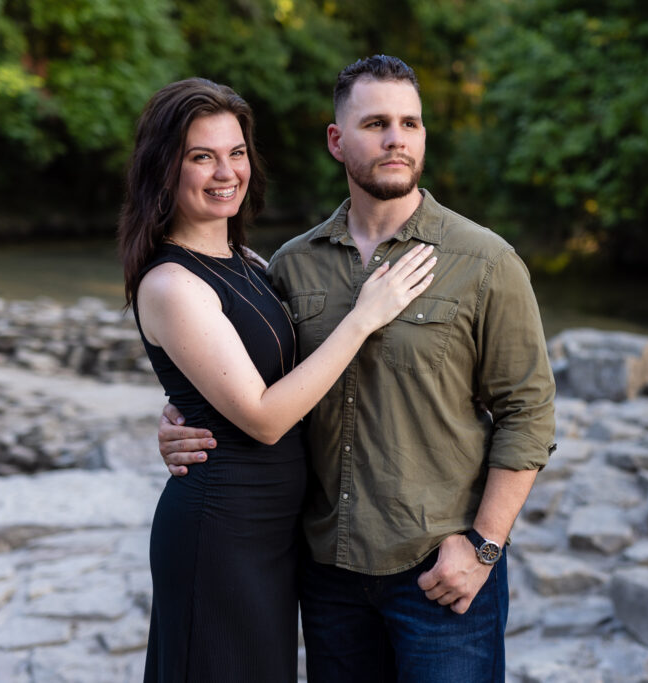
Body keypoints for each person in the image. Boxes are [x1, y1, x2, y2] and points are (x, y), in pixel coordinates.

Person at [158, 56, 556, 682]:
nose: (397, 138)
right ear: (338, 141)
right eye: (375, 123)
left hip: (438, 573)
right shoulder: (290, 266)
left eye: (411, 123)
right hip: (327, 578)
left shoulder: (484, 261)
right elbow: (253, 380)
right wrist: (182, 418)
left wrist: (482, 547)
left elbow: (528, 414)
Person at [117, 76, 436, 683]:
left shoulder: (253, 263)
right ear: (165, 168)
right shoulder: (169, 282)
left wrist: (178, 410)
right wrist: (364, 316)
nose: (224, 173)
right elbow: (262, 416)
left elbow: (241, 373)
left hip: (274, 533)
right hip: (221, 532)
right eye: (201, 157)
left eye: (235, 153)